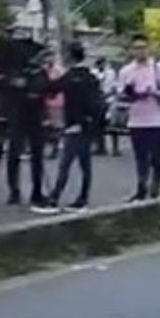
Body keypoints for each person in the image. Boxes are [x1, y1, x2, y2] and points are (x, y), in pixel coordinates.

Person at [36, 41, 105, 213]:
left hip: (76, 125)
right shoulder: (90, 76)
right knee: (84, 164)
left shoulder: (72, 77)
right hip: (87, 126)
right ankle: (82, 199)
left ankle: (54, 199)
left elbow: (50, 88)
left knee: (66, 163)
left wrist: (41, 71)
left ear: (69, 56)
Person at [0, 27, 48, 206]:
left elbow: (45, 87)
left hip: (34, 112)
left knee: (36, 153)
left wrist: (36, 90)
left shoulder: (38, 70)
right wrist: (14, 83)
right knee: (15, 152)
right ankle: (14, 190)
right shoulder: (10, 67)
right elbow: (1, 82)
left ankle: (37, 190)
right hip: (16, 110)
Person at [117, 34, 160, 201]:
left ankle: (156, 184)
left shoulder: (158, 68)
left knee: (154, 154)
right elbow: (121, 94)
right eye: (136, 48)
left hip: (155, 119)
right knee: (140, 156)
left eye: (143, 48)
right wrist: (131, 94)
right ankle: (141, 187)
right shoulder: (127, 71)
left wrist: (154, 93)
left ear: (149, 48)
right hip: (136, 119)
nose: (140, 51)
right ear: (131, 51)